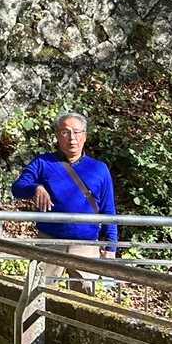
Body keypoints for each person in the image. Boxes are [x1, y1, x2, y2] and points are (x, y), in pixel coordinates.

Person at [10, 111, 118, 291]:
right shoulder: (43, 163)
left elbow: (108, 210)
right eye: (65, 132)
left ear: (85, 136)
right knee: (38, 292)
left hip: (86, 245)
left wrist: (111, 247)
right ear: (57, 136)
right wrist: (36, 188)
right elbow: (18, 187)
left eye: (77, 132)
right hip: (50, 242)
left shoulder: (99, 169)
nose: (72, 138)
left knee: (83, 298)